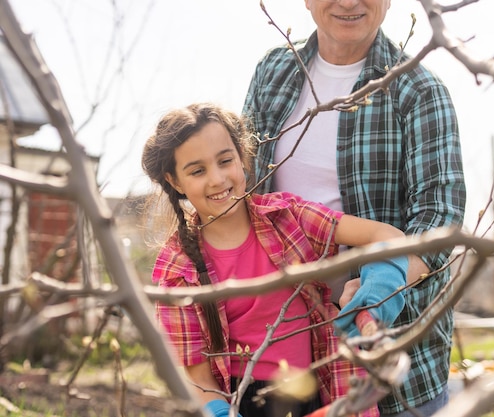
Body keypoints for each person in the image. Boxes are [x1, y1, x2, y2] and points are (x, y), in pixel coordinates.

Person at [242, 1, 467, 416]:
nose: (348, 3)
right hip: (285, 351)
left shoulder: (417, 90)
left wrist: (385, 285)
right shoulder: (272, 73)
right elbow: (245, 189)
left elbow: (440, 214)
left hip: (387, 357)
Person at [141, 102, 410, 417]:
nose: (216, 179)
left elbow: (388, 237)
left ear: (242, 157)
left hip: (318, 391)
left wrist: (377, 297)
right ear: (174, 181)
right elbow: (198, 380)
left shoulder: (287, 217)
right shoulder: (177, 271)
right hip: (240, 404)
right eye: (197, 170)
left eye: (225, 161)